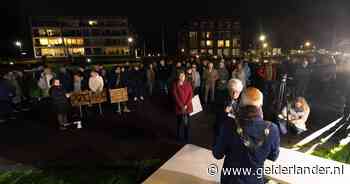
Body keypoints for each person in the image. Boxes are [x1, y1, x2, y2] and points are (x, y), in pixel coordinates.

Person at [213, 87, 280, 184]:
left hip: (230, 179)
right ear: (260, 105)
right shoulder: (272, 129)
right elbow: (273, 156)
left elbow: (217, 154)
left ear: (241, 104)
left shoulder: (228, 125)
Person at [214, 79, 243, 144]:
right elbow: (216, 113)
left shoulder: (243, 100)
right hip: (223, 127)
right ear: (229, 90)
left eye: (237, 92)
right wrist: (224, 111)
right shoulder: (221, 97)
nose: (234, 94)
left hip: (235, 129)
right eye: (232, 91)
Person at [172, 70, 193, 143]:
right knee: (179, 123)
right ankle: (178, 136)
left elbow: (191, 94)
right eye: (180, 76)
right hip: (179, 108)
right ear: (178, 77)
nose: (182, 77)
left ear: (185, 77)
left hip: (187, 107)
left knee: (187, 123)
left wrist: (186, 105)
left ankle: (186, 137)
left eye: (183, 76)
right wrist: (181, 106)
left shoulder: (188, 83)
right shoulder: (175, 84)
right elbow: (175, 96)